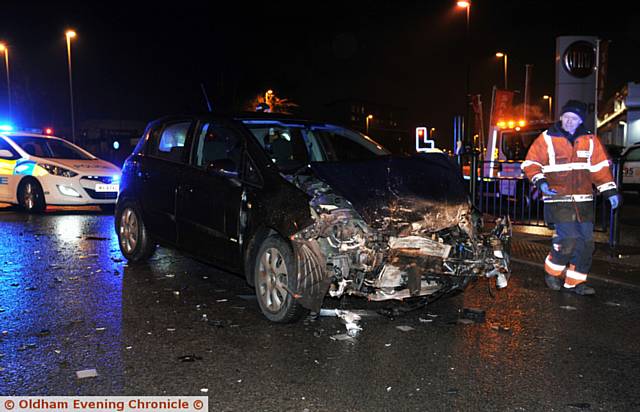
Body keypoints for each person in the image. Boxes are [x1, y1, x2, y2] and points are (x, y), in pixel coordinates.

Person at [521, 99, 620, 296]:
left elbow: (599, 169)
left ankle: (574, 283)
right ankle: (552, 272)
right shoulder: (547, 138)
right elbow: (530, 164)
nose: (569, 121)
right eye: (566, 117)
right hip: (558, 199)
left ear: (580, 121)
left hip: (584, 201)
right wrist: (541, 183)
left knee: (586, 243)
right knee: (568, 239)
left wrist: (610, 191)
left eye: (574, 119)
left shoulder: (590, 141)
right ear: (561, 117)